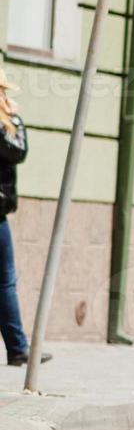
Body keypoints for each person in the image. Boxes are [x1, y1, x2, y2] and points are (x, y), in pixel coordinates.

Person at [0, 66, 49, 367]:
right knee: (4, 282)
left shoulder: (8, 125)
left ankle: (18, 348)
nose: (5, 96)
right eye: (1, 91)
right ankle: (18, 347)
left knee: (5, 281)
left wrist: (9, 123)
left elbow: (18, 151)